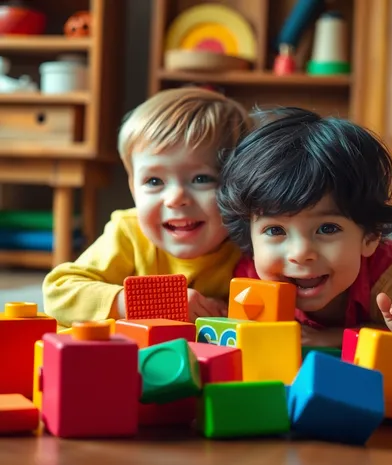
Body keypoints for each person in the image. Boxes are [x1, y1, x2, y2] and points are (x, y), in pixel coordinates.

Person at [216, 106, 392, 349]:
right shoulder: (242, 275)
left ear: (370, 236)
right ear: (249, 236)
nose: (301, 252)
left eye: (327, 228)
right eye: (275, 230)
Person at [43, 87, 252, 328]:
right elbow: (58, 293)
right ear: (133, 188)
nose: (175, 198)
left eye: (201, 178)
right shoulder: (130, 233)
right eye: (154, 181)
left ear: (239, 186)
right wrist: (155, 303)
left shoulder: (249, 240)